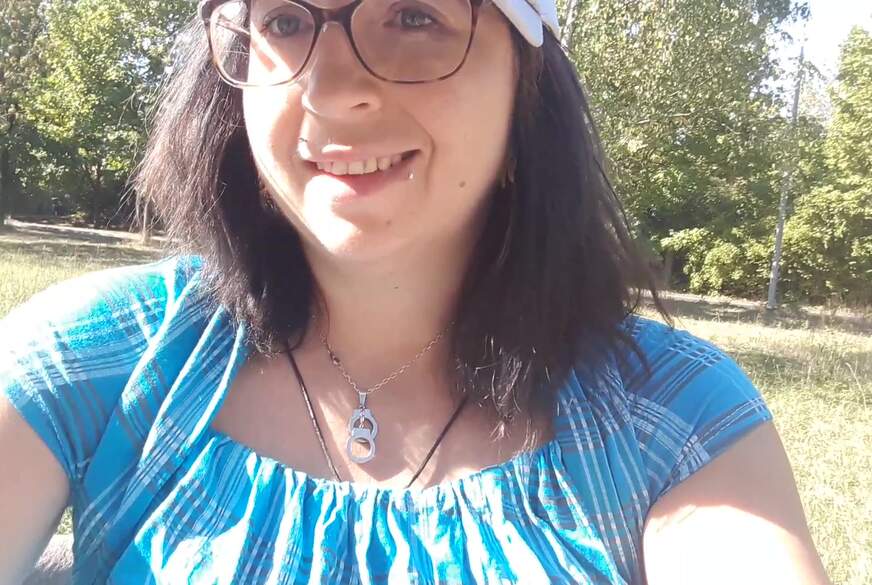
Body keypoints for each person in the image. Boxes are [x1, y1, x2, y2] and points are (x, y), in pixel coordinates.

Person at [0, 0, 830, 582]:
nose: (330, 89)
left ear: (526, 89)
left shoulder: (673, 417)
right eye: (284, 21)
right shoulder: (99, 357)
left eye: (412, 17)